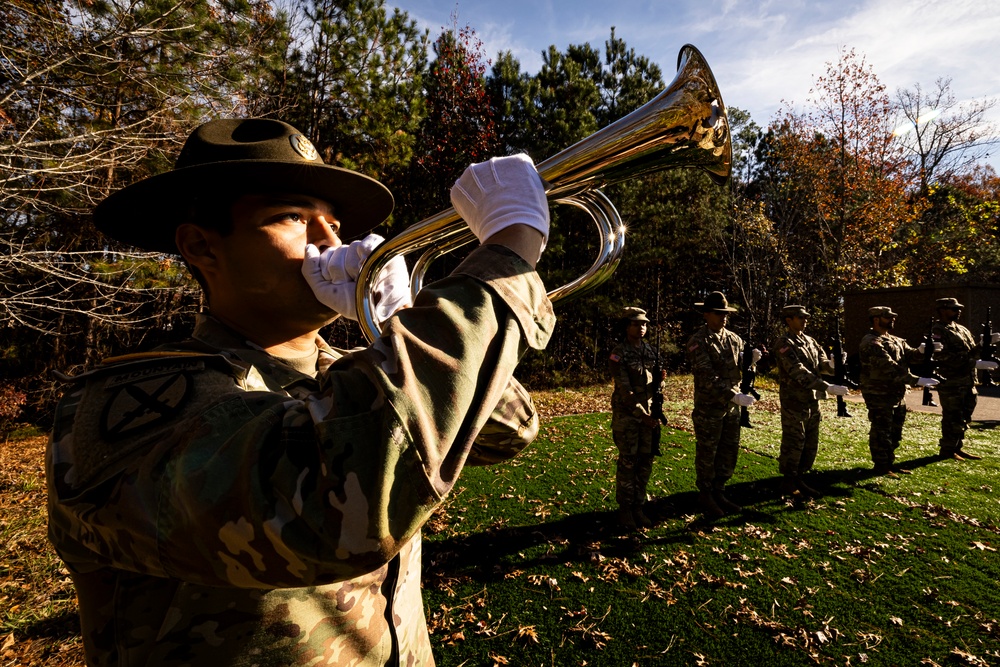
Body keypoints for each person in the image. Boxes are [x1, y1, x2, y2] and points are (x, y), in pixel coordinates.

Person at [46, 118, 555, 666]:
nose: (332, 242)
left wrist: (398, 321)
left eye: (334, 223)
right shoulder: (125, 404)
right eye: (292, 217)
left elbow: (509, 430)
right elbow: (342, 509)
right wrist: (508, 248)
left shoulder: (359, 366)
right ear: (201, 246)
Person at [686, 291, 757, 518]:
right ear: (706, 314)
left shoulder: (735, 339)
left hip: (732, 409)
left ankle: (719, 491)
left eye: (725, 313)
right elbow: (706, 375)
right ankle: (705, 495)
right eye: (718, 313)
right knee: (708, 452)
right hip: (710, 407)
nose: (723, 317)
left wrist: (753, 362)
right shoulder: (698, 341)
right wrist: (732, 395)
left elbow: (742, 371)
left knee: (728, 451)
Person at [771, 305, 850, 498]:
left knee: (810, 441)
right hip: (794, 400)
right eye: (800, 317)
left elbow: (821, 364)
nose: (804, 320)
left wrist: (833, 365)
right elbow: (797, 371)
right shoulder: (784, 342)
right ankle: (788, 481)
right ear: (789, 320)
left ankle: (799, 477)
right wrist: (827, 387)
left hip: (812, 400)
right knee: (794, 440)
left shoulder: (810, 341)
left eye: (805, 317)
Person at [858, 306, 938, 477]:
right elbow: (889, 366)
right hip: (879, 393)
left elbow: (911, 356)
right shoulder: (871, 341)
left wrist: (924, 351)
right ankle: (880, 465)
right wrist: (916, 380)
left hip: (897, 392)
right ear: (876, 320)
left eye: (893, 317)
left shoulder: (896, 340)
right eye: (888, 317)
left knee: (895, 430)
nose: (892, 319)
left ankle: (889, 463)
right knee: (881, 430)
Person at [608, 306, 665, 530]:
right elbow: (624, 389)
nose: (641, 327)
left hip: (650, 416)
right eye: (636, 323)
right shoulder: (618, 353)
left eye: (644, 324)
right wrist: (642, 415)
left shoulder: (651, 352)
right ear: (626, 326)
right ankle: (625, 509)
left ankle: (638, 506)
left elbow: (658, 384)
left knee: (645, 462)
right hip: (629, 416)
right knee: (628, 463)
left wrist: (661, 384)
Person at [932, 297, 999, 461]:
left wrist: (983, 344)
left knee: (964, 417)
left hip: (968, 381)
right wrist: (974, 363)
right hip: (951, 382)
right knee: (952, 417)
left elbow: (970, 352)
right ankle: (947, 450)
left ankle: (957, 447)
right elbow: (942, 356)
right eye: (954, 309)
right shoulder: (938, 330)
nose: (958, 311)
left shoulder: (962, 329)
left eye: (959, 308)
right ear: (942, 310)